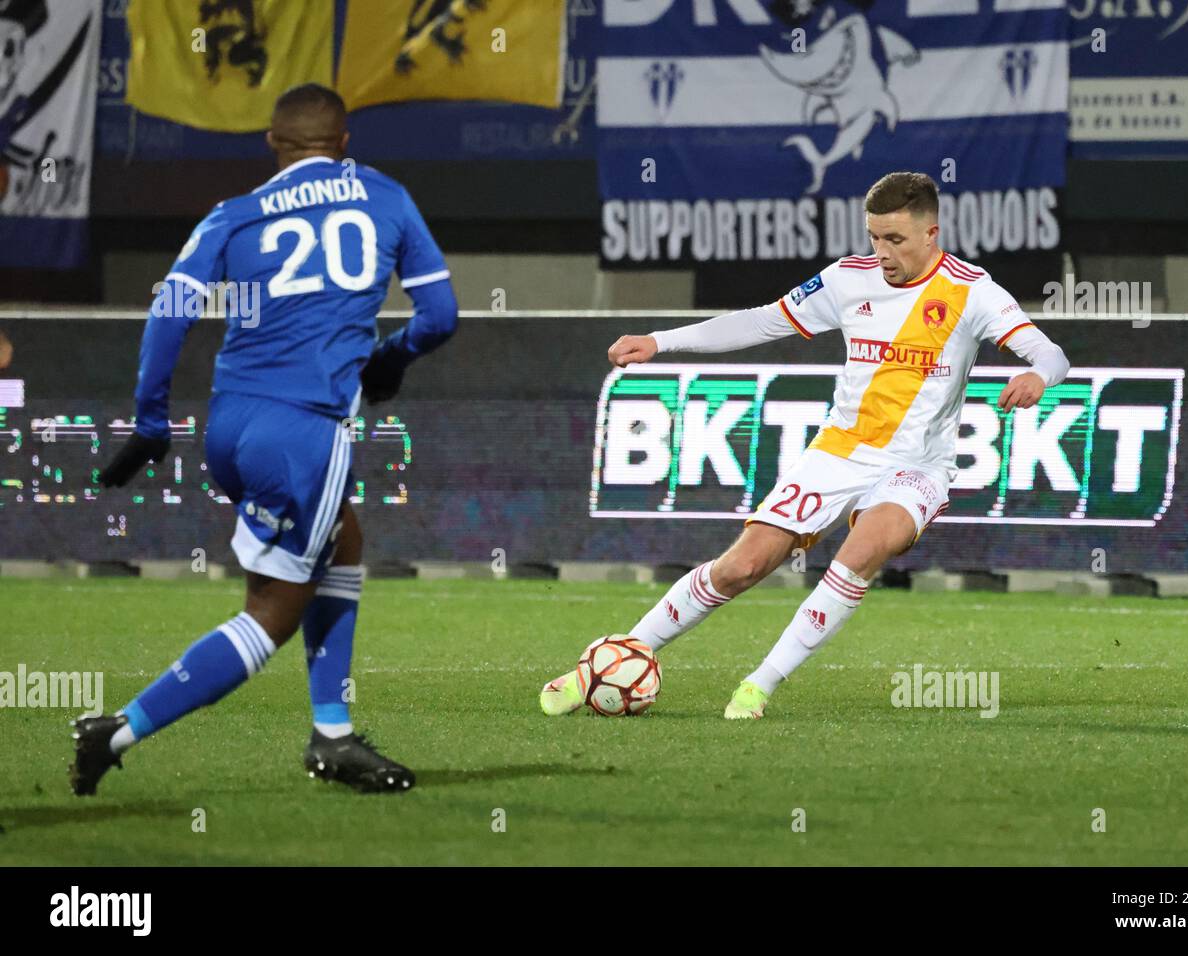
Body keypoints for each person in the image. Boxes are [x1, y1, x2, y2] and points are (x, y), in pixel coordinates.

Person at [540, 171, 1069, 719]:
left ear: (931, 233)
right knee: (741, 567)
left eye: (896, 240)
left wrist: (1037, 378)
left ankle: (759, 684)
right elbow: (763, 322)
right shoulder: (846, 280)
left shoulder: (972, 290)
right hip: (837, 453)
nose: (882, 252)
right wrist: (660, 341)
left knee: (864, 547)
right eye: (873, 238)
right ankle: (612, 661)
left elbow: (1051, 354)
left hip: (916, 467)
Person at [70, 83, 458, 794]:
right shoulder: (385, 197)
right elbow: (440, 315)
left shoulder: (234, 214)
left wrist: (152, 422)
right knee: (272, 613)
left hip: (232, 425)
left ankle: (333, 733)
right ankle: (117, 731)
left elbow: (169, 314)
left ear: (272, 145)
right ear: (343, 143)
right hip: (304, 432)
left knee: (344, 537)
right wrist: (388, 360)